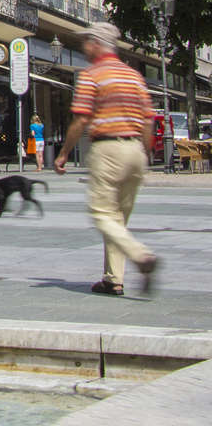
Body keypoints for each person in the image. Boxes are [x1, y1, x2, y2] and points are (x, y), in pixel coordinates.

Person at [54, 22, 158, 296]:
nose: (83, 46)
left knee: (102, 214)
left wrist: (64, 153)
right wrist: (144, 154)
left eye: (87, 41)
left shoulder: (92, 75)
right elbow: (148, 120)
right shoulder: (134, 76)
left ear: (97, 44)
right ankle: (113, 279)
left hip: (107, 149)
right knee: (118, 219)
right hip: (135, 149)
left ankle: (141, 256)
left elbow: (81, 119)